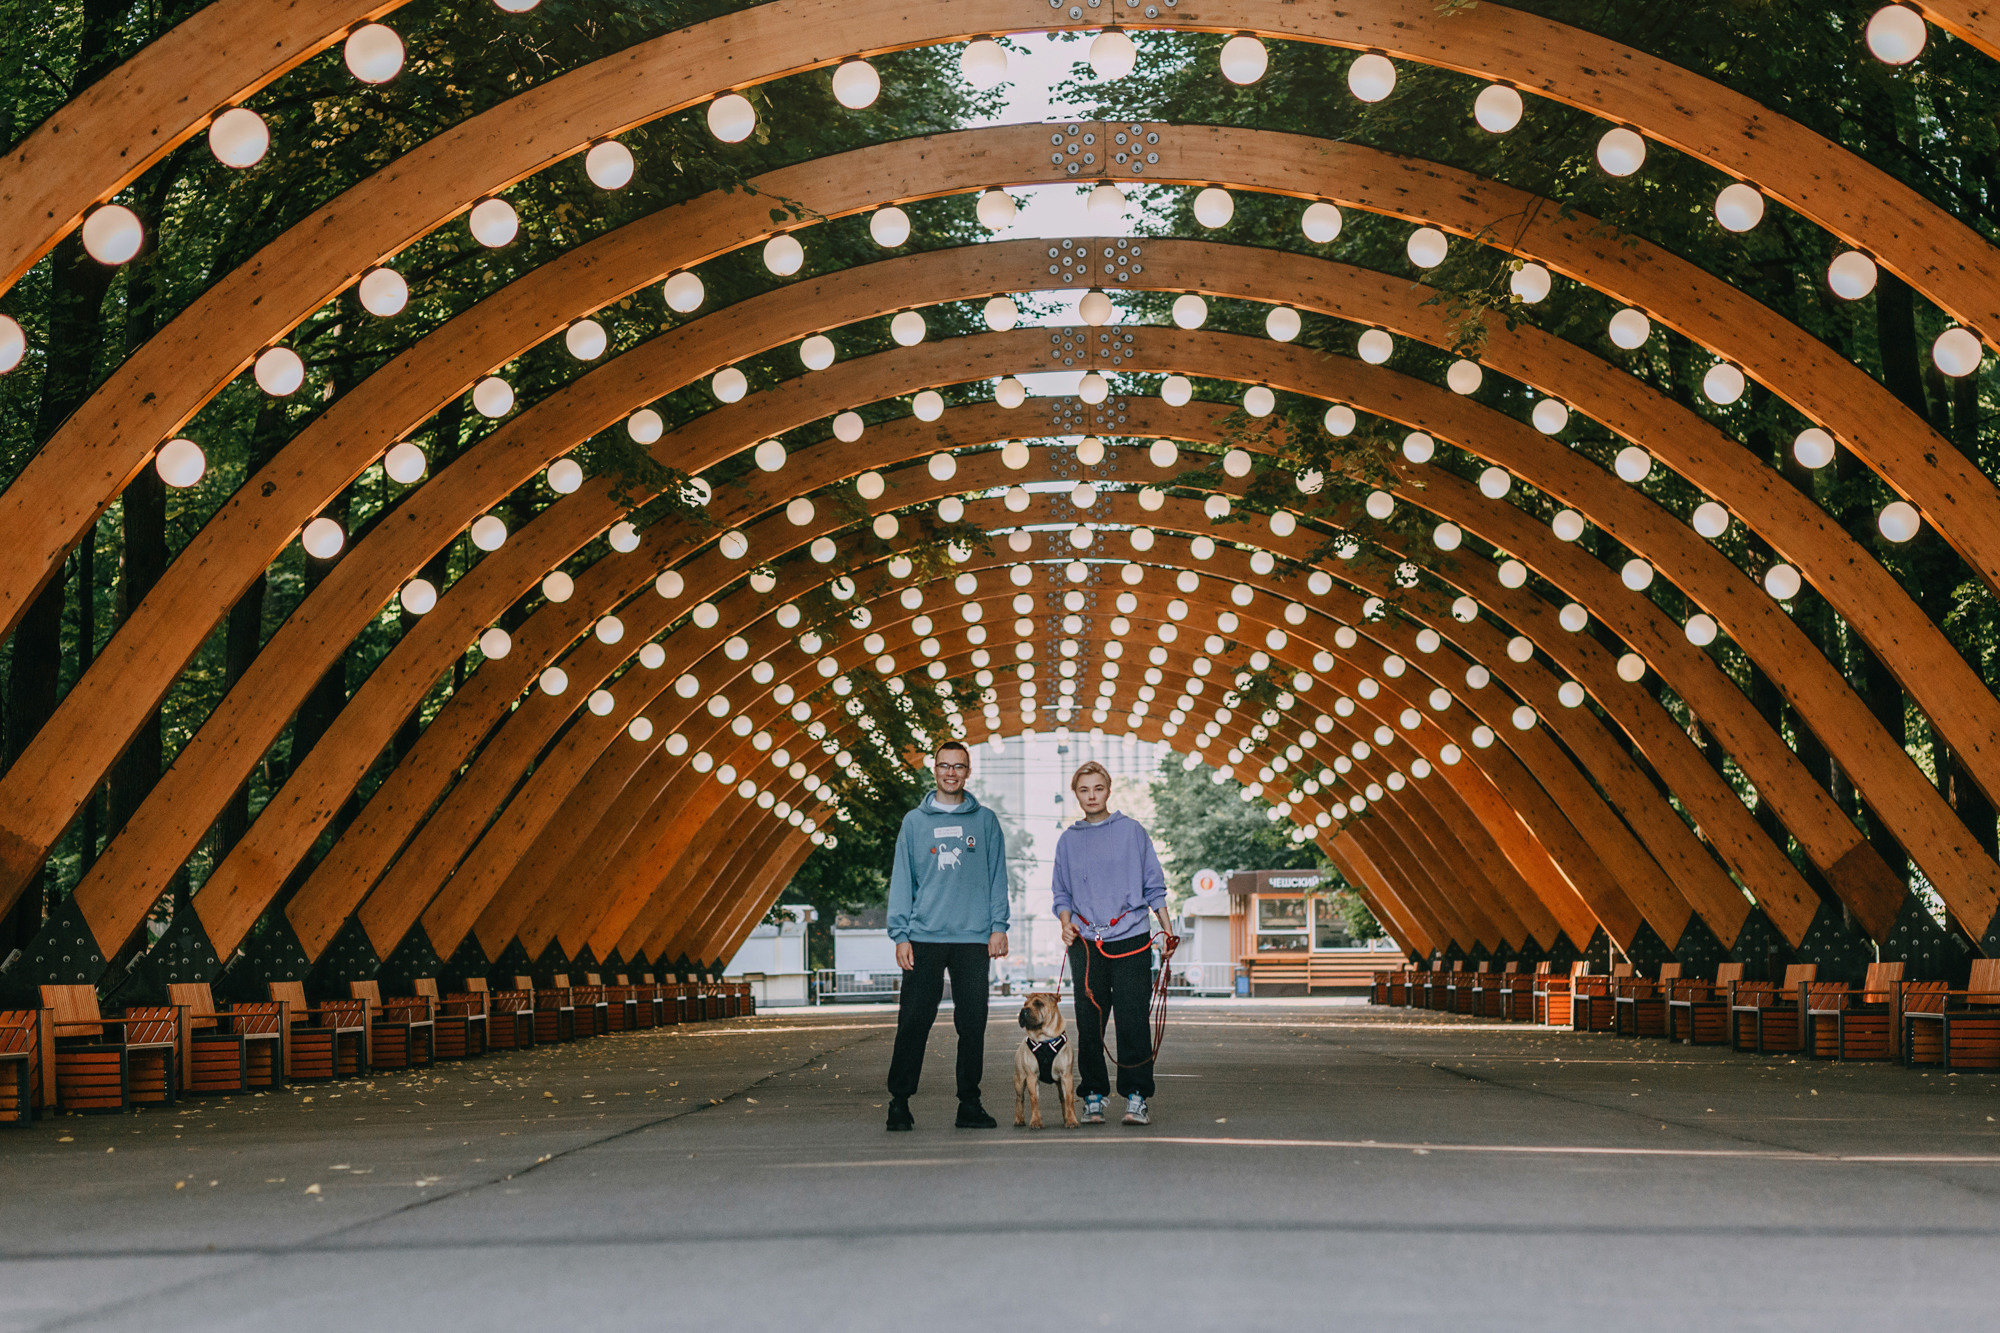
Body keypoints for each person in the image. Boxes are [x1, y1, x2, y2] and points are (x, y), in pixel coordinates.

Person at [884, 740, 1010, 1131]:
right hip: (924, 937)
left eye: (958, 766)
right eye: (944, 766)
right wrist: (900, 934)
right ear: (934, 770)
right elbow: (902, 879)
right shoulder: (914, 822)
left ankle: (969, 1103)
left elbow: (996, 878)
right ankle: (899, 1102)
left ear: (968, 772)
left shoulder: (985, 821)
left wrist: (999, 927)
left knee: (972, 1024)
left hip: (973, 939)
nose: (951, 773)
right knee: (914, 1022)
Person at [1052, 760, 1171, 1126]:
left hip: (1132, 937)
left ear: (1108, 790)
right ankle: (1092, 1096)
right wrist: (1065, 924)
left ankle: (1136, 1097)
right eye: (1084, 790)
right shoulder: (1068, 840)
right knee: (1090, 1022)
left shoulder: (1132, 831)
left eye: (1097, 788)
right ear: (1076, 795)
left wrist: (1166, 930)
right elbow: (1061, 894)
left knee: (1133, 1019)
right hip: (1086, 942)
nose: (1091, 796)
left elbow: (1154, 885)